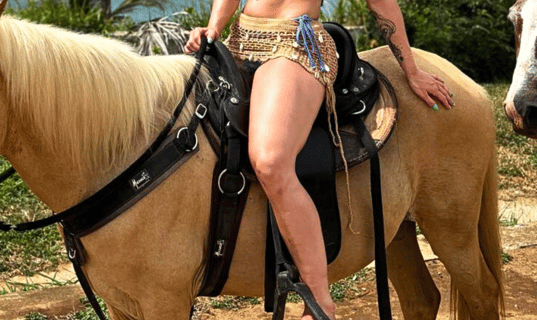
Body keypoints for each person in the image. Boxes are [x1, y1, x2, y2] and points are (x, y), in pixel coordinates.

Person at [185, 0, 453, 319]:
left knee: (271, 161)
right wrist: (214, 27)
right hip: (239, 39)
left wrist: (411, 70)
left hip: (294, 45)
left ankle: (319, 301)